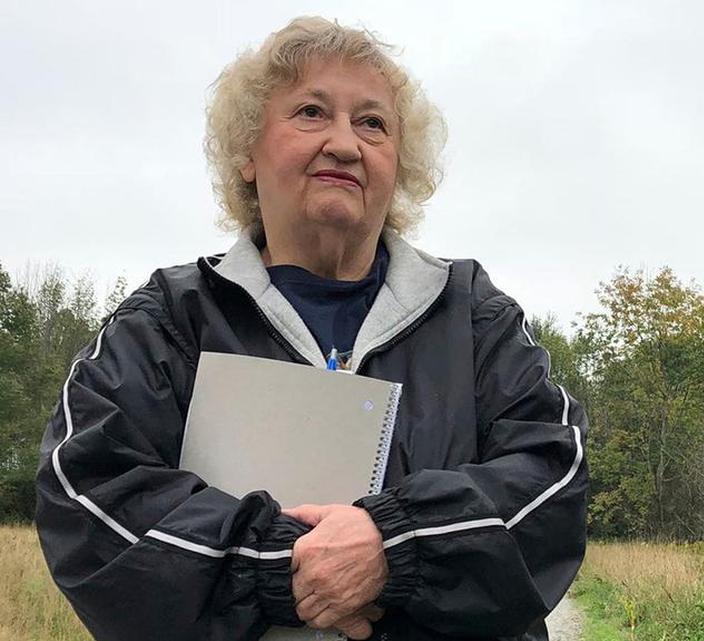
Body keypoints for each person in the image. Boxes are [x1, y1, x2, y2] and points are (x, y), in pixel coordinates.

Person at [35, 16, 587, 641]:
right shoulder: (169, 319)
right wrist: (277, 564)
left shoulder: (473, 317)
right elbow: (88, 494)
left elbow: (552, 478)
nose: (346, 144)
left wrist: (396, 542)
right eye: (311, 112)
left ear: (398, 164)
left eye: (373, 123)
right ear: (248, 152)